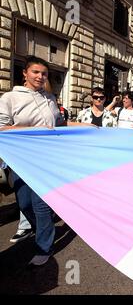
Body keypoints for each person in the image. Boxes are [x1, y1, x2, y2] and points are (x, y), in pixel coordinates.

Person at [0, 56, 89, 265]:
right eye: (36, 72)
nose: (40, 77)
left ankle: (43, 247)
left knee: (41, 205)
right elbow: (2, 127)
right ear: (25, 73)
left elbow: (59, 124)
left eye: (44, 74)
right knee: (24, 203)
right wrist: (35, 130)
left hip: (47, 159)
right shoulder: (9, 98)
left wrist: (84, 127)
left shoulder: (49, 98)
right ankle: (42, 229)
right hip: (21, 159)